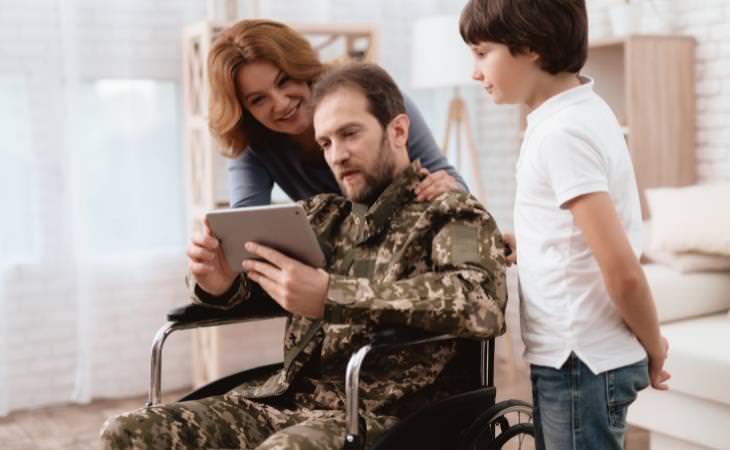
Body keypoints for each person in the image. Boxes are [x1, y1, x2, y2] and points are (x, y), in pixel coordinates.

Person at [100, 62, 508, 450]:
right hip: (289, 400)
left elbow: (479, 302)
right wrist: (217, 281)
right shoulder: (323, 217)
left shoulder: (452, 213)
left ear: (399, 131)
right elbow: (258, 284)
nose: (337, 155)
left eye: (350, 134)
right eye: (326, 142)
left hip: (388, 414)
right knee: (131, 432)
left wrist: (332, 296)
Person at [458, 1, 670, 449]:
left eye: (482, 53)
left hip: (579, 361)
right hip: (579, 358)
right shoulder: (577, 113)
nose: (475, 72)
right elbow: (580, 238)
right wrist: (532, 246)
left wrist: (655, 345)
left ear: (529, 46)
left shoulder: (562, 133)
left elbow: (622, 270)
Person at [208, 19, 467, 207]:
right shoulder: (252, 139)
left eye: (284, 80)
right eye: (258, 99)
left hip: (402, 244)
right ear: (245, 110)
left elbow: (454, 187)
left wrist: (449, 190)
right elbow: (246, 223)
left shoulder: (375, 100)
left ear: (301, 68)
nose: (280, 103)